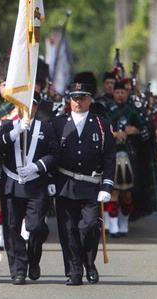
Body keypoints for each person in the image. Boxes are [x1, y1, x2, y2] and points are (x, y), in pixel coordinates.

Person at [51, 82, 116, 286]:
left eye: (82, 97)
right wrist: (50, 181)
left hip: (91, 185)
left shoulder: (101, 124)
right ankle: (74, 271)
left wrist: (106, 186)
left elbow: (109, 157)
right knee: (68, 230)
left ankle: (89, 263)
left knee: (89, 228)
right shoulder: (58, 124)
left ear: (89, 99)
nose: (78, 102)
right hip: (65, 184)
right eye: (74, 98)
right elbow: (51, 155)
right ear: (69, 100)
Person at [0, 97, 59, 285]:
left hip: (36, 184)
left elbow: (55, 154)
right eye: (22, 104)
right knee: (12, 228)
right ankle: (18, 270)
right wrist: (15, 132)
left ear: (36, 107)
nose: (27, 108)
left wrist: (37, 166)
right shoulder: (7, 126)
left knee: (37, 227)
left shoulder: (46, 127)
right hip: (12, 184)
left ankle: (33, 257)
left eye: (31, 105)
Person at [105, 82, 145, 237]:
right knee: (113, 191)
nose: (120, 95)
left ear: (127, 94)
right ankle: (113, 225)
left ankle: (123, 221)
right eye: (117, 92)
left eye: (123, 92)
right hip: (112, 154)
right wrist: (114, 134)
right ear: (113, 94)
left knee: (127, 194)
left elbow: (145, 131)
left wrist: (135, 130)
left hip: (129, 155)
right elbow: (100, 129)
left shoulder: (132, 111)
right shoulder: (107, 110)